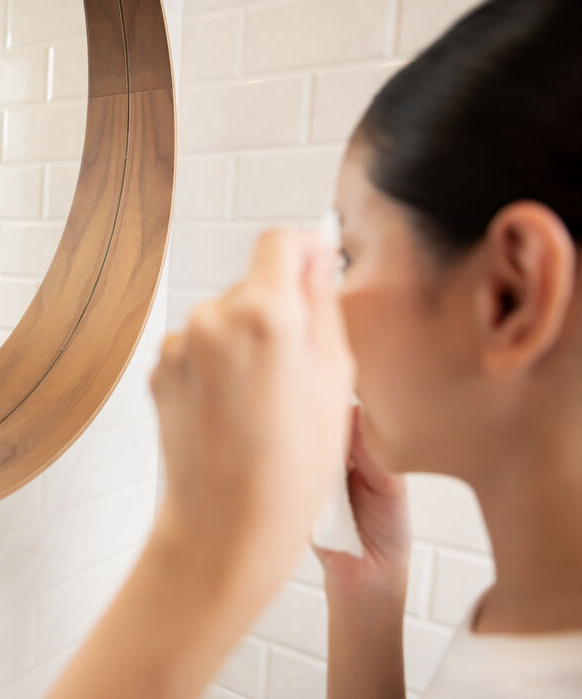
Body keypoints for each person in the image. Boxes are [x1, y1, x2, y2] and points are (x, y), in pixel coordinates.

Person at [49, 0, 582, 697]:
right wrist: (366, 591)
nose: (332, 300)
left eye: (353, 254)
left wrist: (201, 548)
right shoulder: (531, 619)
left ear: (511, 292)